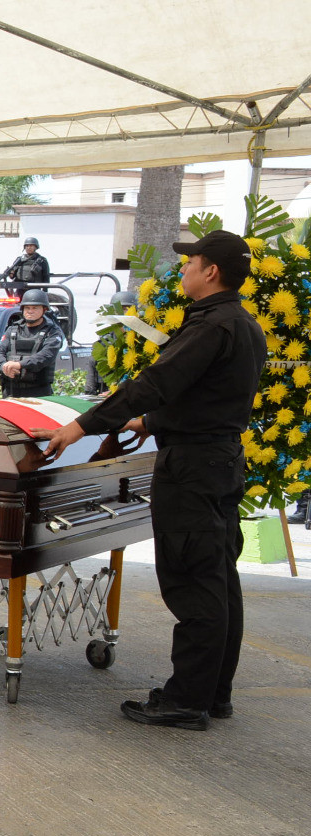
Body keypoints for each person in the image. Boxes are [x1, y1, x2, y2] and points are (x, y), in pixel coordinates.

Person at [43, 230, 266, 730]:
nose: (183, 270)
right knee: (219, 582)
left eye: (191, 263)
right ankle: (212, 693)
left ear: (211, 271)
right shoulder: (244, 324)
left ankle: (186, 700)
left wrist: (83, 424)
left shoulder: (212, 325)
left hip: (192, 471)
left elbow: (156, 383)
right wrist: (148, 424)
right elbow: (211, 400)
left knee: (192, 584)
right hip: (220, 461)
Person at [0, 289, 64, 398]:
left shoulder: (53, 332)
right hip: (10, 392)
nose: (30, 311)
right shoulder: (12, 329)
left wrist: (19, 365)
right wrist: (3, 367)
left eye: (35, 308)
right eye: (27, 308)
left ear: (44, 310)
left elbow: (46, 356)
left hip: (38, 393)